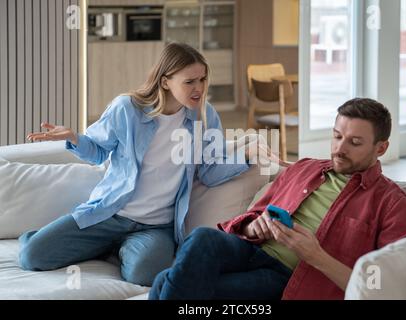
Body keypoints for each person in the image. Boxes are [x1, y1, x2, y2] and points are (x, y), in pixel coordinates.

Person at [19, 43, 274, 287]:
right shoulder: (127, 108)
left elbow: (209, 171)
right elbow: (98, 153)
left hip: (156, 227)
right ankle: (97, 242)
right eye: (189, 82)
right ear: (165, 81)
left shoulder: (204, 116)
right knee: (32, 255)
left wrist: (246, 156)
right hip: (110, 214)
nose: (199, 88)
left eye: (202, 79)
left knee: (146, 273)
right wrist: (75, 138)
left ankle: (117, 249)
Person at [149, 98, 406, 300]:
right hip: (251, 250)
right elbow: (251, 216)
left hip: (288, 277)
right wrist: (253, 227)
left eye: (355, 143)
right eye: (337, 136)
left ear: (381, 148)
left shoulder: (393, 205)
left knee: (166, 282)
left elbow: (382, 288)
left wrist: (315, 256)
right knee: (201, 238)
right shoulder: (304, 168)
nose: (340, 148)